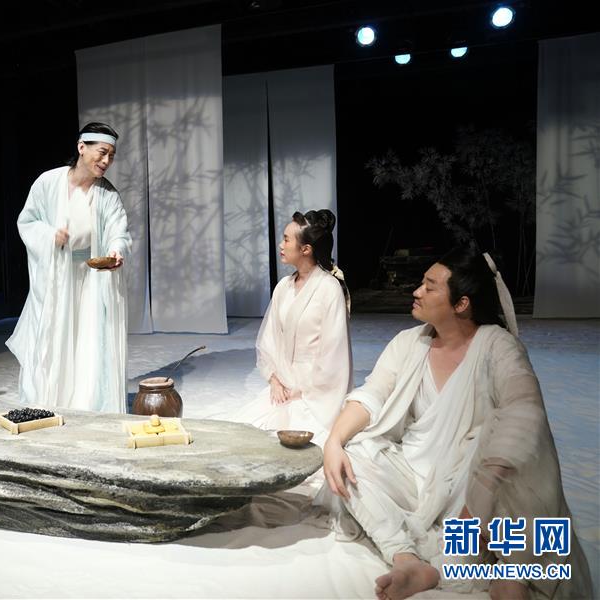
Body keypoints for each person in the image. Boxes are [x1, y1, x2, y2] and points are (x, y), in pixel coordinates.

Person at [316, 247, 591, 599]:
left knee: (504, 450)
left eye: (430, 287)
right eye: (421, 283)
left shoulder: (498, 347)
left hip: (470, 481)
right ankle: (405, 557)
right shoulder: (409, 343)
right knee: (354, 454)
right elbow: (373, 393)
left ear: (461, 304)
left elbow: (525, 412)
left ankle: (492, 567)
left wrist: (483, 489)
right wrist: (334, 442)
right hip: (411, 472)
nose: (417, 291)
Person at [7, 122, 132, 412]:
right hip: (57, 275)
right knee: (55, 337)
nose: (106, 161)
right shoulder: (48, 183)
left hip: (91, 277)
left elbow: (119, 230)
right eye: (102, 152)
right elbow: (27, 221)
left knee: (89, 339)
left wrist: (116, 249)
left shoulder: (107, 194)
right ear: (81, 147)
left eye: (111, 156)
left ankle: (87, 403)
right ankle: (53, 399)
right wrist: (50, 235)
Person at [232, 209, 351, 446]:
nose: (281, 244)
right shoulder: (283, 287)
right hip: (283, 383)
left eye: (286, 239)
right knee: (243, 434)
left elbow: (334, 353)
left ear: (306, 249)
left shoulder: (329, 289)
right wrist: (274, 381)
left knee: (307, 441)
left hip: (317, 390)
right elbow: (269, 339)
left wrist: (302, 389)